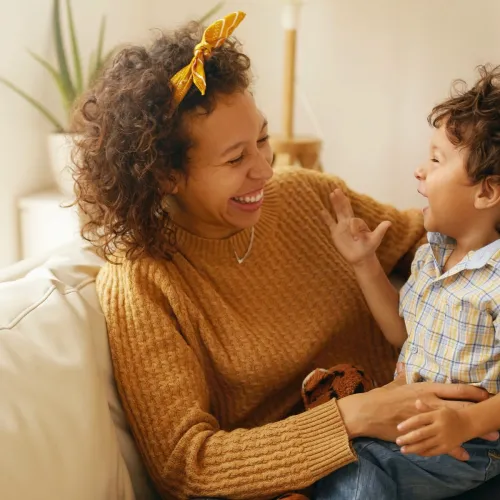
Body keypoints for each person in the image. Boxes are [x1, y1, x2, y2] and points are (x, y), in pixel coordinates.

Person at [72, 11, 492, 500]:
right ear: (167, 176)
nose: (265, 172)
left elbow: (441, 239)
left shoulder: (309, 197)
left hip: (444, 443)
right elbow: (188, 465)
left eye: (263, 141)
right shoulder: (141, 282)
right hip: (326, 480)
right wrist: (355, 417)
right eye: (236, 159)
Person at [319, 65, 500, 499]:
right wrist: (365, 264)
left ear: (487, 193)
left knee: (355, 474)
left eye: (436, 160)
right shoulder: (431, 253)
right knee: (335, 458)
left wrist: (468, 422)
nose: (420, 170)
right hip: (414, 425)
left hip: (474, 443)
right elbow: (402, 333)